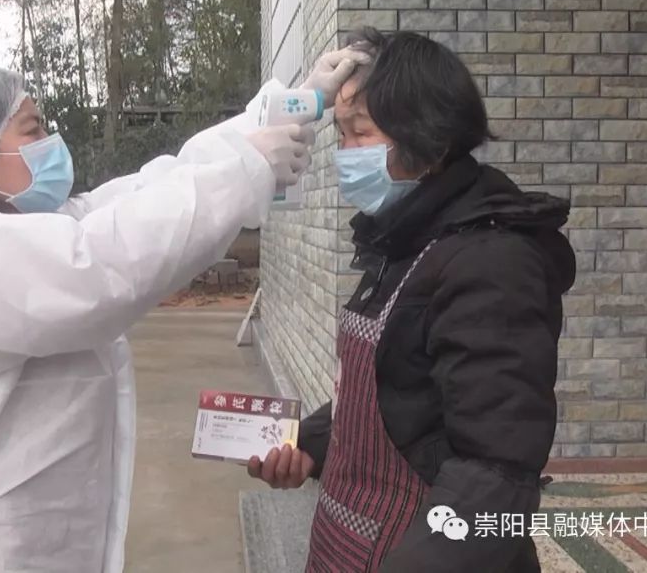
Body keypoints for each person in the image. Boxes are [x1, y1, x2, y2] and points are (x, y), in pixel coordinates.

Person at [0, 49, 366, 572]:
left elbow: (146, 189)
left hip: (29, 546)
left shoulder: (12, 229)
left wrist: (287, 107)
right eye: (33, 130)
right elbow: (101, 264)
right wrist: (245, 170)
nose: (51, 141)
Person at [247, 28, 576, 572]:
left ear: (432, 140)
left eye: (361, 133)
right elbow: (394, 393)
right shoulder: (401, 240)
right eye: (342, 134)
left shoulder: (491, 263)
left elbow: (495, 473)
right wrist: (306, 442)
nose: (346, 154)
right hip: (348, 545)